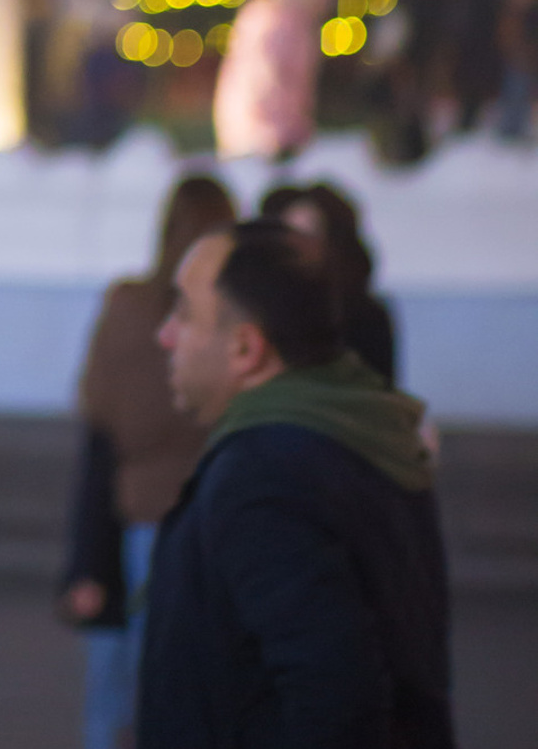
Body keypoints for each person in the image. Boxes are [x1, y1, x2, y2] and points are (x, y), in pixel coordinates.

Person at [140, 219, 453, 748]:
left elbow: (334, 693)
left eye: (186, 312)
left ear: (246, 349)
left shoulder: (265, 475)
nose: (165, 334)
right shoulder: (355, 429)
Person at [62, 173, 237, 749]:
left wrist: (85, 560)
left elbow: (101, 429)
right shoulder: (229, 324)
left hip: (135, 517)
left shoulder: (128, 309)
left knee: (120, 696)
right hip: (219, 516)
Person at [261, 179, 398, 384]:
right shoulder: (268, 309)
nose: (297, 248)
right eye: (289, 236)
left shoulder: (365, 315)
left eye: (307, 236)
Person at [212, 0, 336, 157]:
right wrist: (287, 129)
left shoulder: (278, 20)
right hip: (263, 136)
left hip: (257, 130)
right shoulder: (276, 22)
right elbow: (264, 81)